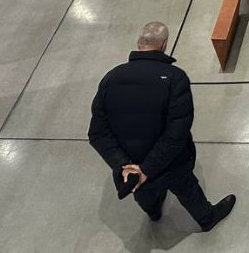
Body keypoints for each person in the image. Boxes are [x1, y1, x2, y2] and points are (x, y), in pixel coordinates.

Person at [88, 22, 236, 231]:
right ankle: (207, 218)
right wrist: (147, 169)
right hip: (170, 164)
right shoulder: (175, 78)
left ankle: (154, 212)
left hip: (131, 169)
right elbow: (176, 134)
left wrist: (126, 166)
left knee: (143, 192)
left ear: (138, 43)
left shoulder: (111, 78)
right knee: (187, 189)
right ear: (164, 45)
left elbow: (97, 133)